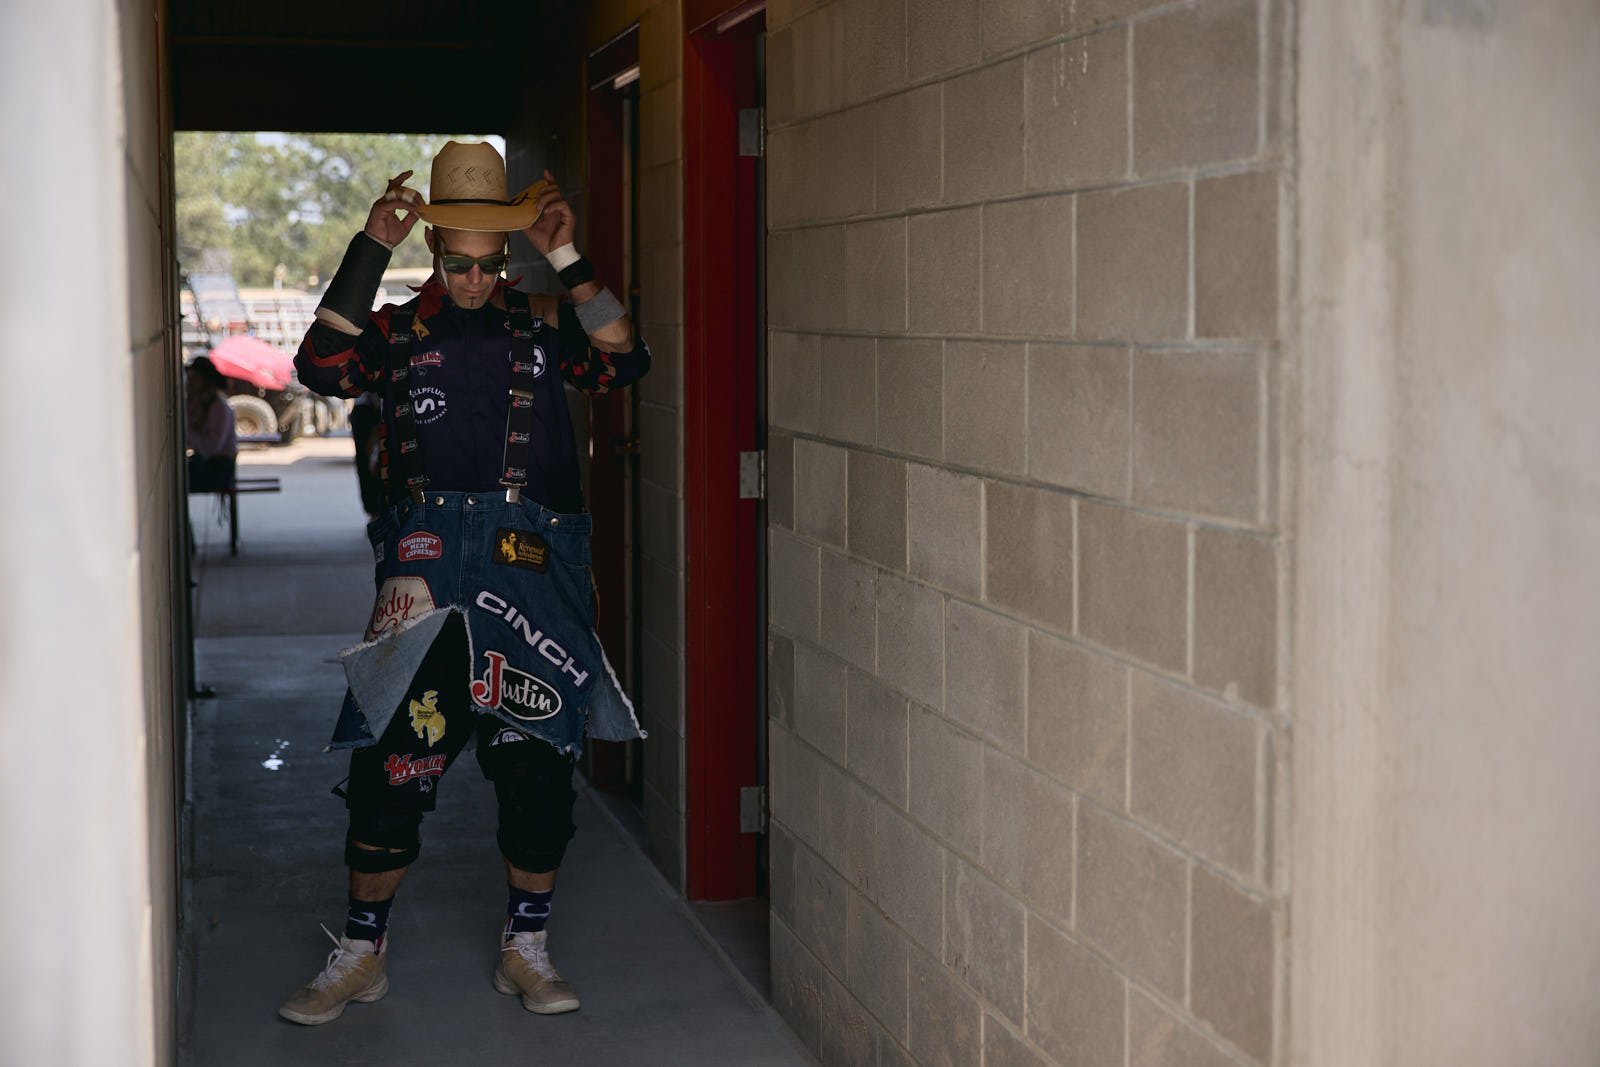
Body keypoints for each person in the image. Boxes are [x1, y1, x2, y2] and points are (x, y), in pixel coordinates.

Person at [279, 141, 650, 1026]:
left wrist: (567, 252)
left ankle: (527, 947)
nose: (477, 280)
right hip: (427, 566)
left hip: (533, 569)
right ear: (435, 249)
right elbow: (317, 368)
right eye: (459, 263)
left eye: (492, 264)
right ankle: (362, 951)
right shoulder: (397, 332)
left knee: (534, 769)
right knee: (389, 767)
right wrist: (368, 247)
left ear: (509, 257)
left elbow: (624, 360)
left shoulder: (546, 319)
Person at [184, 356, 238, 492]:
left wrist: (189, 433)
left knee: (183, 479)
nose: (189, 383)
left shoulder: (220, 408)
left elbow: (211, 448)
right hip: (206, 462)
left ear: (205, 382)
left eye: (194, 378)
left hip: (219, 467)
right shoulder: (196, 403)